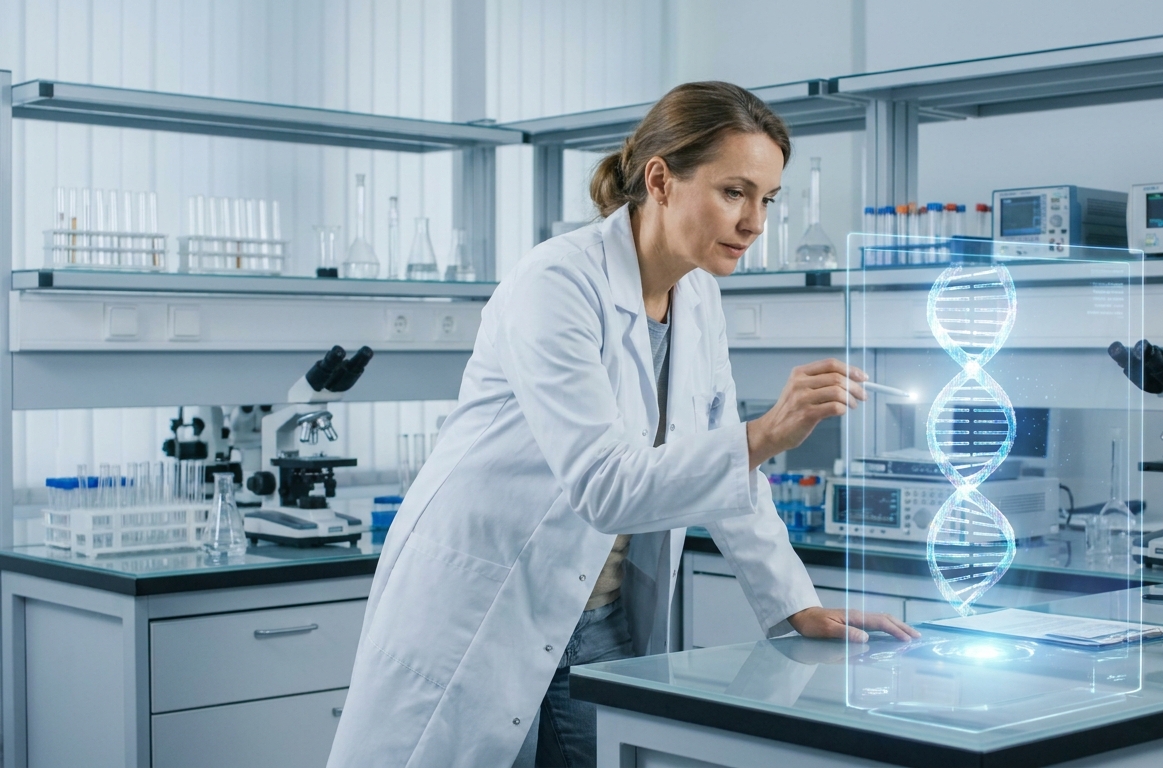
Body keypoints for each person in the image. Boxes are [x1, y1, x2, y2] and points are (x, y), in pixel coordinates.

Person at [327, 81, 919, 768]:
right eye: (734, 192)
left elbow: (730, 473)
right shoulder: (555, 284)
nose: (756, 221)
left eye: (768, 198)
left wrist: (795, 607)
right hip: (485, 610)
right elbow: (607, 485)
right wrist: (767, 433)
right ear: (661, 179)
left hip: (598, 619)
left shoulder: (696, 297)